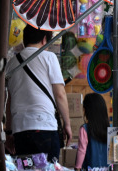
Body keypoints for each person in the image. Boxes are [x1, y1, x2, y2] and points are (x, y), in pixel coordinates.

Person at [6, 26, 72, 161]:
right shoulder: (49, 57)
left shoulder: (11, 63)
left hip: (20, 130)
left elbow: (9, 101)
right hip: (45, 127)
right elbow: (60, 94)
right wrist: (67, 124)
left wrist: (8, 132)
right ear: (44, 40)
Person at [75, 93, 109, 170]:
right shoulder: (111, 129)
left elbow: (81, 151)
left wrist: (77, 169)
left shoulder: (84, 129)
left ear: (87, 110)